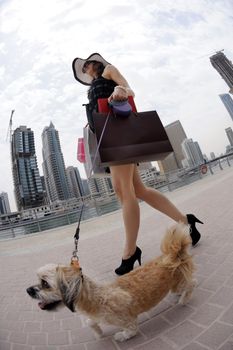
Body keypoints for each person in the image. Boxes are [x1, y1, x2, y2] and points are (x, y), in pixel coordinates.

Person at [72, 53, 203, 276]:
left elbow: (128, 89)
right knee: (138, 190)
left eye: (86, 64)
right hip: (108, 139)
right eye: (82, 69)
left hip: (119, 134)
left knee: (123, 191)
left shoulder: (109, 70)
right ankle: (186, 221)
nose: (85, 69)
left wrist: (118, 90)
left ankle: (130, 251)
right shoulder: (92, 87)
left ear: (96, 62)